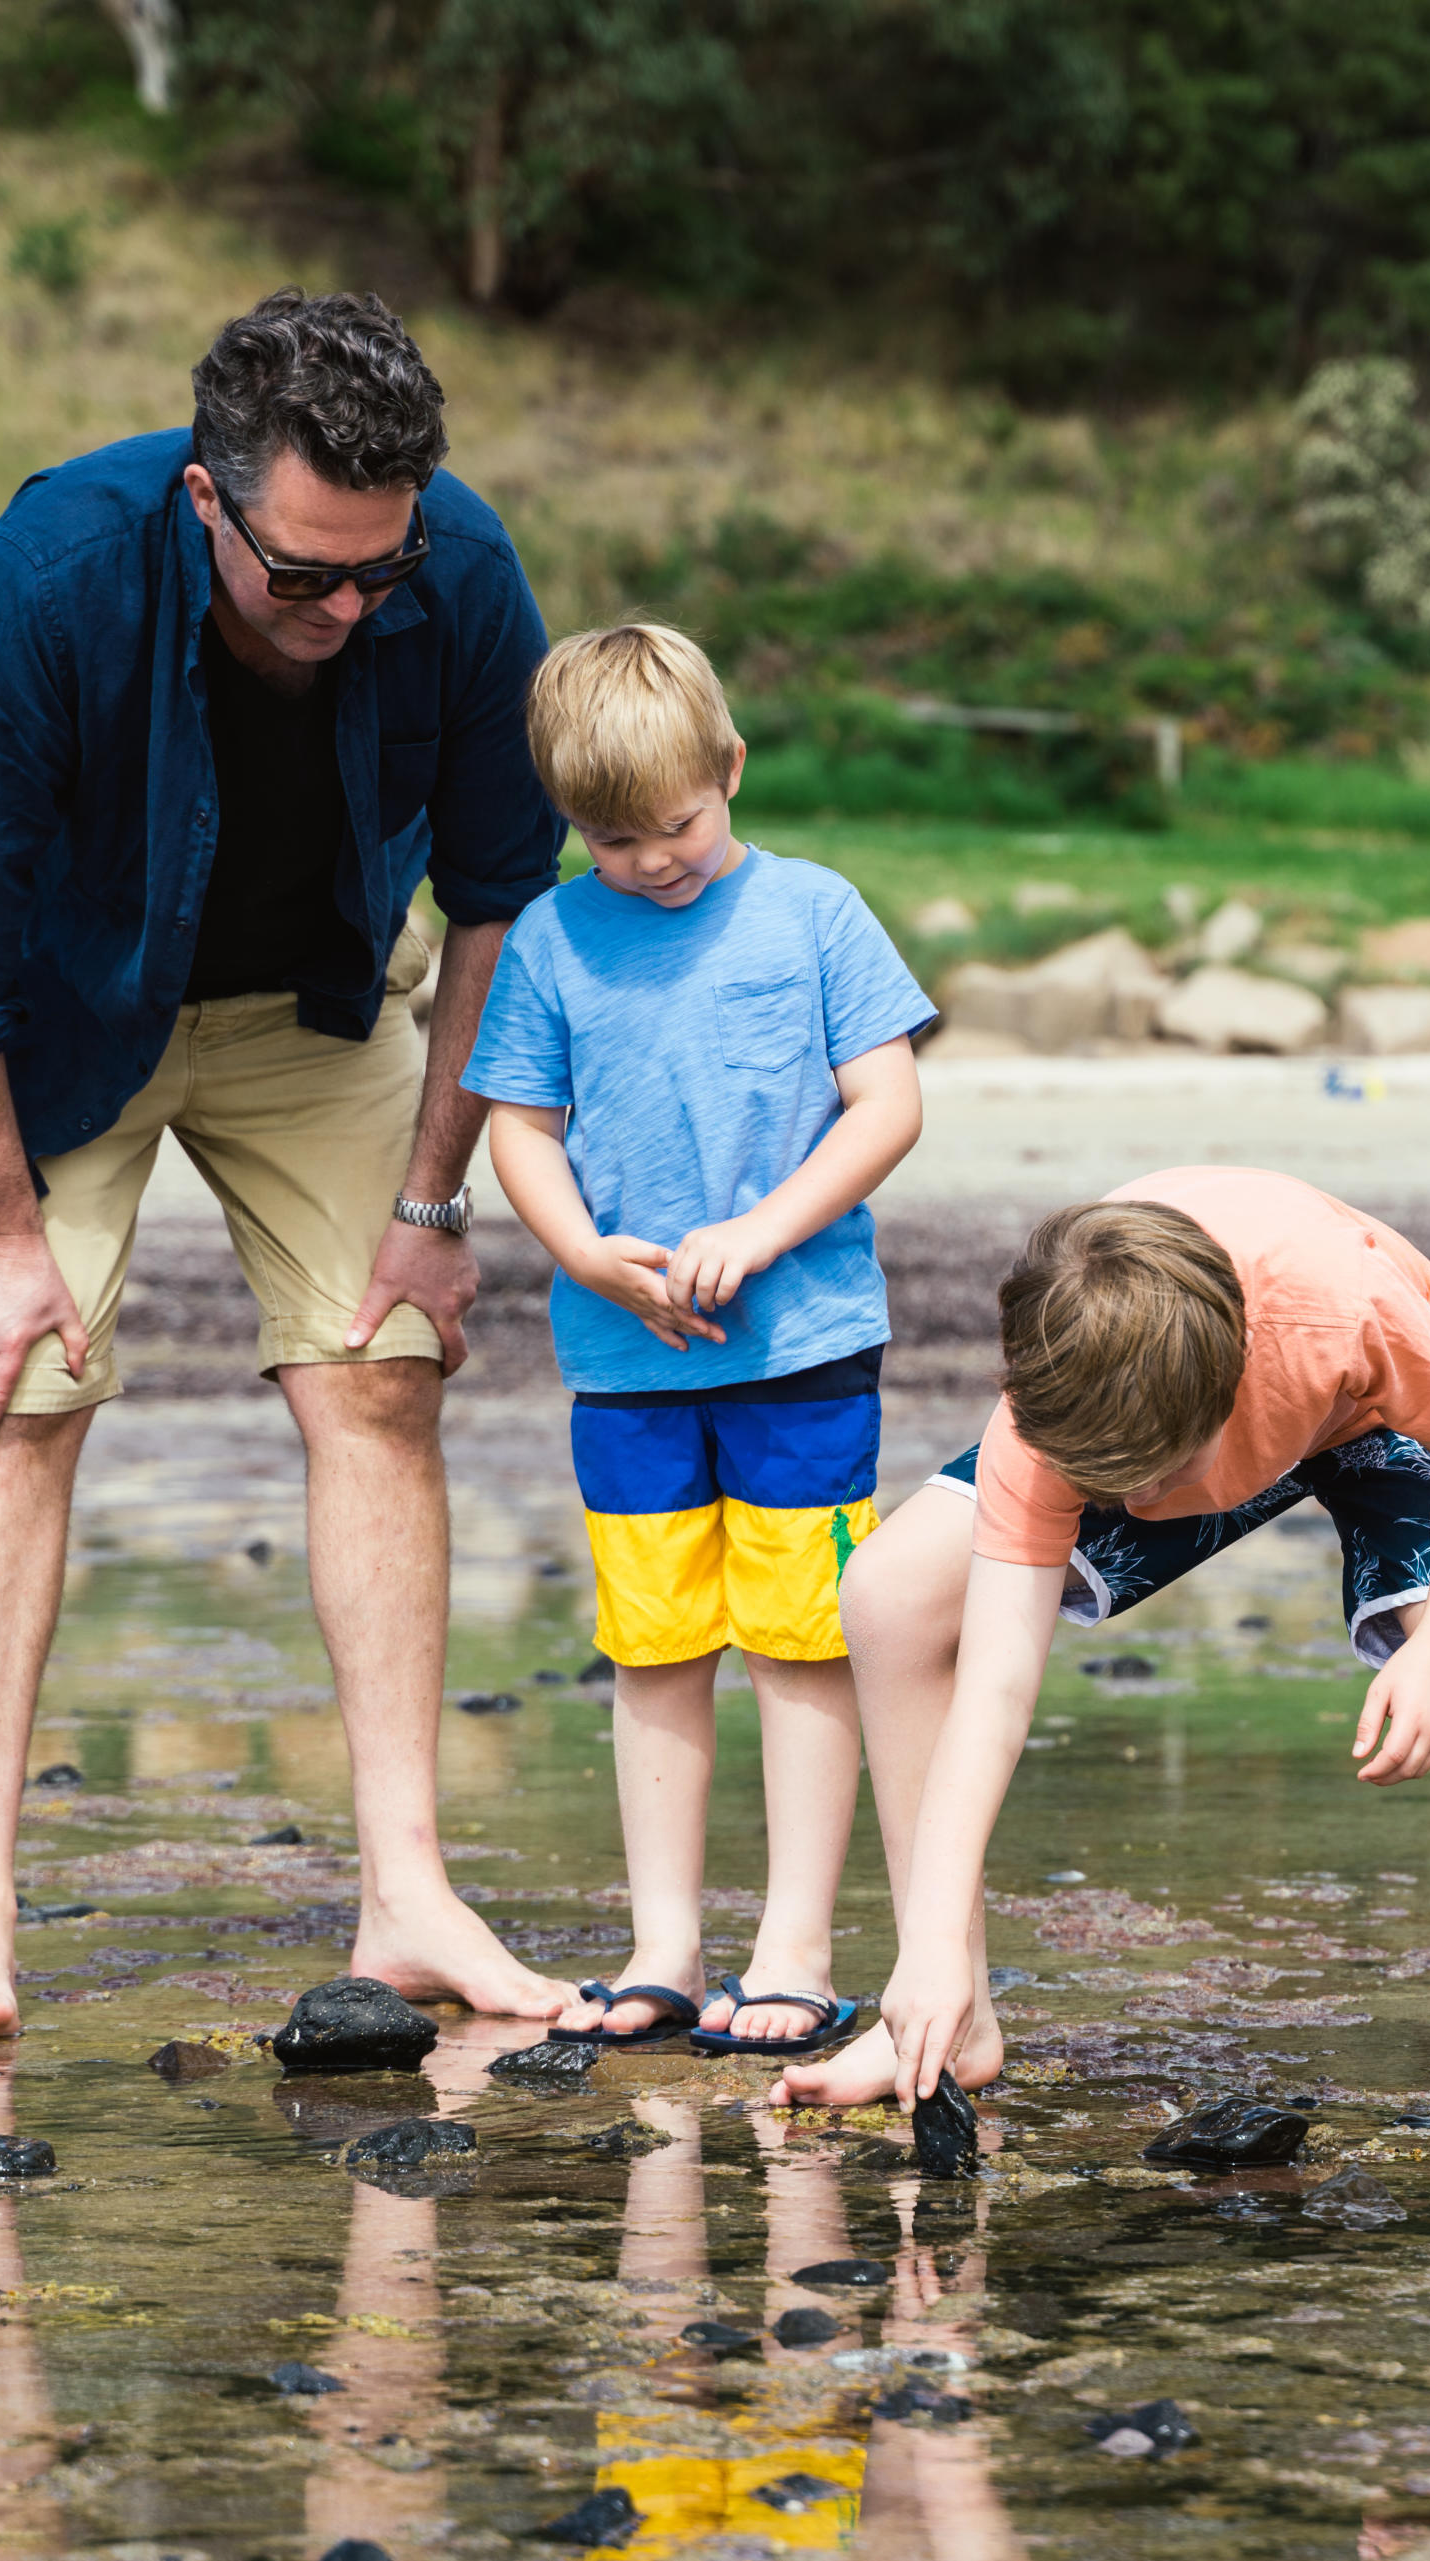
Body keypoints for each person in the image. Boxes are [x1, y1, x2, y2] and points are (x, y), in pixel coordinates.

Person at [0, 288, 572, 2043]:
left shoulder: (461, 568)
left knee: (383, 1379)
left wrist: (431, 1208)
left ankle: (406, 1893)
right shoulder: (49, 580)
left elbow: (496, 901)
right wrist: (3, 1238)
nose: (347, 612)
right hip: (58, 1013)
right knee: (13, 1389)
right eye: (303, 579)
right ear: (208, 499)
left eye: (377, 578)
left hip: (317, 1004)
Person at [771, 1169, 1430, 2150]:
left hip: (1384, 1414)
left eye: (1159, 1479)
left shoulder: (1340, 1307)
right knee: (891, 1593)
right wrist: (936, 1941)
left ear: (1227, 1401)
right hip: (1169, 1400)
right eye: (1117, 1482)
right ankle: (949, 2014)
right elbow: (993, 1693)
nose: (1151, 1503)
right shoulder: (1044, 1425)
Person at [465, 623, 934, 2052]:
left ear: (730, 769)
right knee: (654, 1642)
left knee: (803, 1641)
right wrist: (584, 1256)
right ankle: (664, 1941)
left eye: (676, 823)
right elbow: (520, 1130)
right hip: (628, 1363)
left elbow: (888, 1106)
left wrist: (768, 1229)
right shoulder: (551, 937)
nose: (653, 858)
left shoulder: (814, 913)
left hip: (803, 1349)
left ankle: (792, 1943)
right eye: (612, 840)